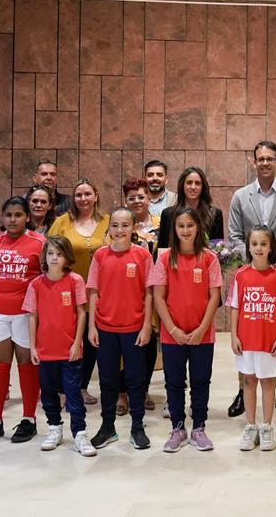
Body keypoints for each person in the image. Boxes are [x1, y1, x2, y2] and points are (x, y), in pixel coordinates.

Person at [227, 142, 276, 418]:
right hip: (247, 276)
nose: (265, 163)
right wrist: (253, 263)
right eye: (260, 159)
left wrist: (271, 263)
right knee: (246, 331)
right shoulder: (240, 196)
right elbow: (235, 235)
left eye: (270, 158)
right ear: (253, 162)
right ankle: (242, 388)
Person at [0, 196, 47, 445]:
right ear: (2, 218)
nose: (12, 219)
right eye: (8, 215)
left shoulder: (39, 243)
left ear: (27, 217)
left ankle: (29, 418)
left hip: (27, 315)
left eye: (18, 215)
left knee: (27, 365)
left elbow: (47, 282)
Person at [149, 207, 223, 453]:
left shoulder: (209, 258)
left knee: (201, 380)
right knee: (174, 382)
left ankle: (199, 427)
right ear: (175, 229)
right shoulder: (165, 258)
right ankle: (177, 428)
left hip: (203, 334)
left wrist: (202, 328)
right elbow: (159, 297)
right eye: (181, 226)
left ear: (198, 227)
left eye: (190, 225)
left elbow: (214, 297)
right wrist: (172, 328)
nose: (185, 230)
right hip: (173, 334)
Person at [86, 207, 154, 451]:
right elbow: (93, 292)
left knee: (135, 380)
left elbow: (149, 293)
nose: (119, 230)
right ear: (109, 228)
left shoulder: (143, 256)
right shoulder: (101, 256)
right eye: (115, 225)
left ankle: (137, 428)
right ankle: (107, 427)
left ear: (134, 228)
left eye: (125, 225)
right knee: (107, 380)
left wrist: (147, 326)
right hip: (105, 328)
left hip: (134, 328)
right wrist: (92, 326)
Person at [25, 236, 95, 457]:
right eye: (50, 254)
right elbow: (32, 317)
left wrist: (77, 342)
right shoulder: (36, 284)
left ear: (67, 258)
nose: (54, 258)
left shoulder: (75, 280)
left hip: (69, 351)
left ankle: (80, 432)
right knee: (48, 392)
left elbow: (82, 312)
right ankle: (54, 427)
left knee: (73, 393)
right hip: (45, 351)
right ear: (44, 256)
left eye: (59, 254)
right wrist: (33, 347)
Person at [47, 179, 111, 405]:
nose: (83, 199)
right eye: (78, 195)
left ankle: (82, 386)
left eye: (87, 194)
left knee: (90, 339)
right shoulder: (62, 222)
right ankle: (63, 388)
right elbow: (49, 250)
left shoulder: (108, 221)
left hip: (100, 291)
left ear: (96, 196)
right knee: (67, 338)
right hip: (67, 290)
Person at [230, 225, 276, 452]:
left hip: (268, 340)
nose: (258, 248)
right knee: (248, 381)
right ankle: (250, 425)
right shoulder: (241, 274)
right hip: (246, 340)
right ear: (248, 246)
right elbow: (235, 306)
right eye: (254, 244)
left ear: (271, 247)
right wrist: (234, 335)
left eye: (263, 244)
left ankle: (266, 426)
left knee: (267, 381)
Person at [122, 177, 160, 413]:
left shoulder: (161, 222)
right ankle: (121, 392)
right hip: (127, 290)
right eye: (131, 197)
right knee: (124, 345)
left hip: (155, 290)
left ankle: (143, 388)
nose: (137, 201)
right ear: (126, 200)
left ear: (149, 198)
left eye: (141, 196)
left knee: (148, 342)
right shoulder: (121, 224)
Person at [159, 166, 225, 248]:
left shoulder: (215, 214)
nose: (193, 187)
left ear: (203, 187)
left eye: (197, 183)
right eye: (189, 183)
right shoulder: (168, 214)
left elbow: (218, 249)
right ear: (182, 185)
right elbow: (162, 249)